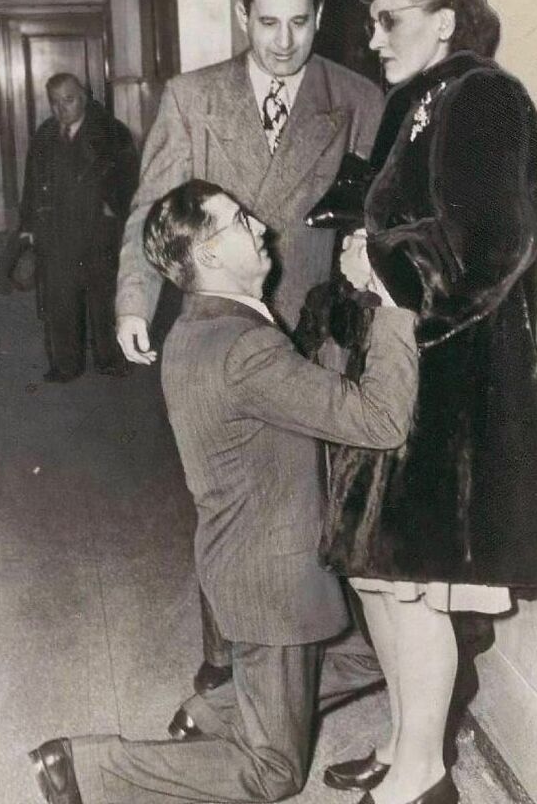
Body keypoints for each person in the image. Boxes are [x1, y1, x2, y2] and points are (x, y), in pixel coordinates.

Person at [28, 178, 418, 804]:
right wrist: (390, 300)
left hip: (246, 561)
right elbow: (381, 420)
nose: (260, 226)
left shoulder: (199, 331)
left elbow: (288, 408)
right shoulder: (245, 347)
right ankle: (88, 771)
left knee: (385, 656)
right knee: (274, 773)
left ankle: (211, 715)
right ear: (206, 254)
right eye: (239, 221)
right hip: (273, 582)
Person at [314, 0, 537, 804]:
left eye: (390, 20)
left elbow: (495, 241)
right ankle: (400, 745)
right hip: (400, 376)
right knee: (380, 578)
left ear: (446, 22)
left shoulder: (485, 96)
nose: (373, 38)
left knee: (414, 585)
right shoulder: (421, 100)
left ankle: (424, 776)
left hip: (448, 394)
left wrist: (382, 265)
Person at [115, 0, 385, 699]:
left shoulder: (357, 97)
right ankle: (222, 661)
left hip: (317, 339)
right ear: (244, 15)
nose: (284, 41)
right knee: (228, 504)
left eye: (300, 23)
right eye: (268, 22)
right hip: (221, 331)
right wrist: (134, 302)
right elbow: (150, 212)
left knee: (311, 511)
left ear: (320, 18)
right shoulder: (192, 96)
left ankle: (309, 663)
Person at [19, 73, 138, 382]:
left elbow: (132, 181)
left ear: (84, 95)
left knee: (104, 299)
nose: (62, 109)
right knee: (59, 299)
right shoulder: (44, 136)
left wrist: (119, 212)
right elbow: (31, 184)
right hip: (56, 233)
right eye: (55, 103)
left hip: (99, 231)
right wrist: (28, 226)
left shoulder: (112, 133)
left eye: (68, 100)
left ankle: (110, 359)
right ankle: (65, 364)